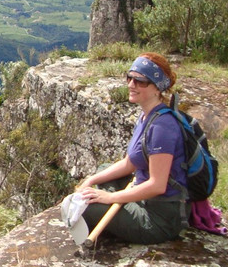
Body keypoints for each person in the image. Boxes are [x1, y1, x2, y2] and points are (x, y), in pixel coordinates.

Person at [77, 52, 189, 244]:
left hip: (159, 218)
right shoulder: (147, 116)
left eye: (140, 81)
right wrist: (91, 180)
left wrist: (109, 197)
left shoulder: (162, 127)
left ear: (157, 88)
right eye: (129, 77)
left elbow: (157, 185)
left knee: (84, 206)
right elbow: (130, 163)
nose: (131, 85)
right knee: (105, 170)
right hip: (144, 199)